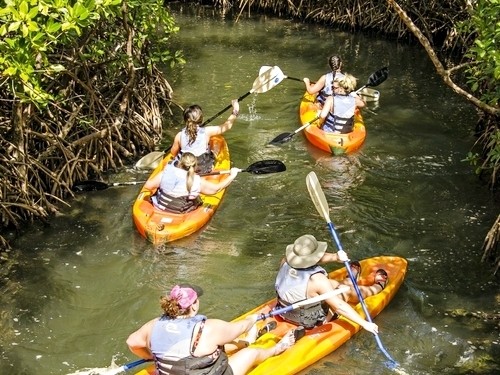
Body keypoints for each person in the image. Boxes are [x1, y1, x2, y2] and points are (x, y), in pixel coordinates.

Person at [126, 284, 303, 375]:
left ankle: (248, 340)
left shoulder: (153, 325)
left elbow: (132, 342)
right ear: (193, 306)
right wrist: (252, 319)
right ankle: (277, 348)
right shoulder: (208, 329)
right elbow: (239, 327)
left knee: (214, 348)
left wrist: (150, 356)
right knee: (251, 354)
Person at [274, 234, 388, 332]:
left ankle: (349, 280)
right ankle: (377, 288)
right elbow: (339, 306)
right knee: (346, 291)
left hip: (283, 311)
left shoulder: (286, 260)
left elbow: (309, 260)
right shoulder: (317, 279)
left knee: (332, 283)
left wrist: (335, 257)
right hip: (307, 320)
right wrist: (365, 324)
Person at [144, 152, 239, 214]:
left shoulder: (166, 171)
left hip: (159, 207)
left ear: (180, 163)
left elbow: (148, 186)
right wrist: (232, 175)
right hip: (179, 212)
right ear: (195, 166)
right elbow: (216, 189)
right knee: (197, 199)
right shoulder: (196, 181)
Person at [170, 99, 240, 173]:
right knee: (216, 144)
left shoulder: (179, 135)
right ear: (201, 119)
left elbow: (173, 153)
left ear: (185, 120)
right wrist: (235, 110)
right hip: (202, 168)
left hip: (184, 168)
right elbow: (226, 126)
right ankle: (213, 159)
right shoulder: (207, 132)